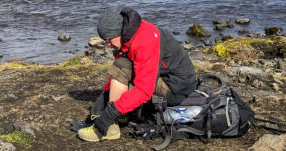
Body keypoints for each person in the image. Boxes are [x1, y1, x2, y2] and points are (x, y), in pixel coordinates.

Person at [77, 8, 197, 142]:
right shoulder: (129, 35)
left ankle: (110, 127)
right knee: (122, 64)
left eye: (109, 40)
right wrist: (103, 99)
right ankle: (122, 115)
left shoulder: (145, 41)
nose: (107, 44)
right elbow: (118, 74)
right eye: (105, 40)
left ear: (119, 32)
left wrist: (109, 114)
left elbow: (144, 90)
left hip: (176, 88)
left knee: (122, 66)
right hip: (164, 77)